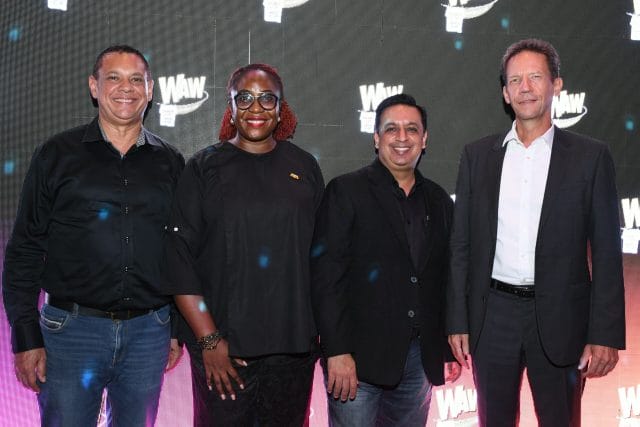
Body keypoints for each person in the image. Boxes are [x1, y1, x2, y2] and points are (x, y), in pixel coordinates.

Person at [2, 45, 184, 426]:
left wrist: (175, 329)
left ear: (150, 89)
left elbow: (180, 252)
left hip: (148, 333)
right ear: (93, 86)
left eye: (136, 79)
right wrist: (25, 336)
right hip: (71, 333)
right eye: (113, 77)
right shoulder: (56, 155)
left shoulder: (170, 162)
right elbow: (25, 249)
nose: (126, 88)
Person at [446, 38, 625, 426]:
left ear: (556, 85)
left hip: (563, 318)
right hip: (492, 316)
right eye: (515, 80)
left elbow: (608, 252)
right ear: (505, 93)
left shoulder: (591, 157)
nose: (525, 88)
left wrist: (605, 333)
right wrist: (458, 320)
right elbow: (461, 246)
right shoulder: (477, 157)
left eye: (535, 77)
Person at [162, 63, 324, 427]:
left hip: (292, 353)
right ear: (231, 107)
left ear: (280, 107)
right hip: (225, 352)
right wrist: (209, 341)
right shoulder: (203, 168)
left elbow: (322, 259)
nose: (256, 107)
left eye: (267, 98)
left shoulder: (304, 167)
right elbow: (179, 260)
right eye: (245, 98)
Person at [311, 93, 461, 427]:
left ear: (424, 139)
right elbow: (326, 278)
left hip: (418, 360)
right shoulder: (346, 191)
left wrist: (445, 349)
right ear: (377, 138)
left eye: (412, 129)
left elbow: (444, 280)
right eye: (392, 129)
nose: (402, 137)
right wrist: (336, 350)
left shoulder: (439, 200)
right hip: (356, 361)